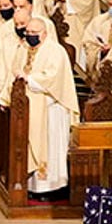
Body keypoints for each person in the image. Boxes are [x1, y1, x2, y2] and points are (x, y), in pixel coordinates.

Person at [11, 15, 78, 200]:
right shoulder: (24, 49)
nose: (30, 36)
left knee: (50, 148)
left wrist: (29, 79)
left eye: (35, 32)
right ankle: (33, 185)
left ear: (45, 33)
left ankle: (52, 187)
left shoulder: (55, 51)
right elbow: (15, 70)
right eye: (28, 32)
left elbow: (53, 77)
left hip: (51, 109)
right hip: (29, 107)